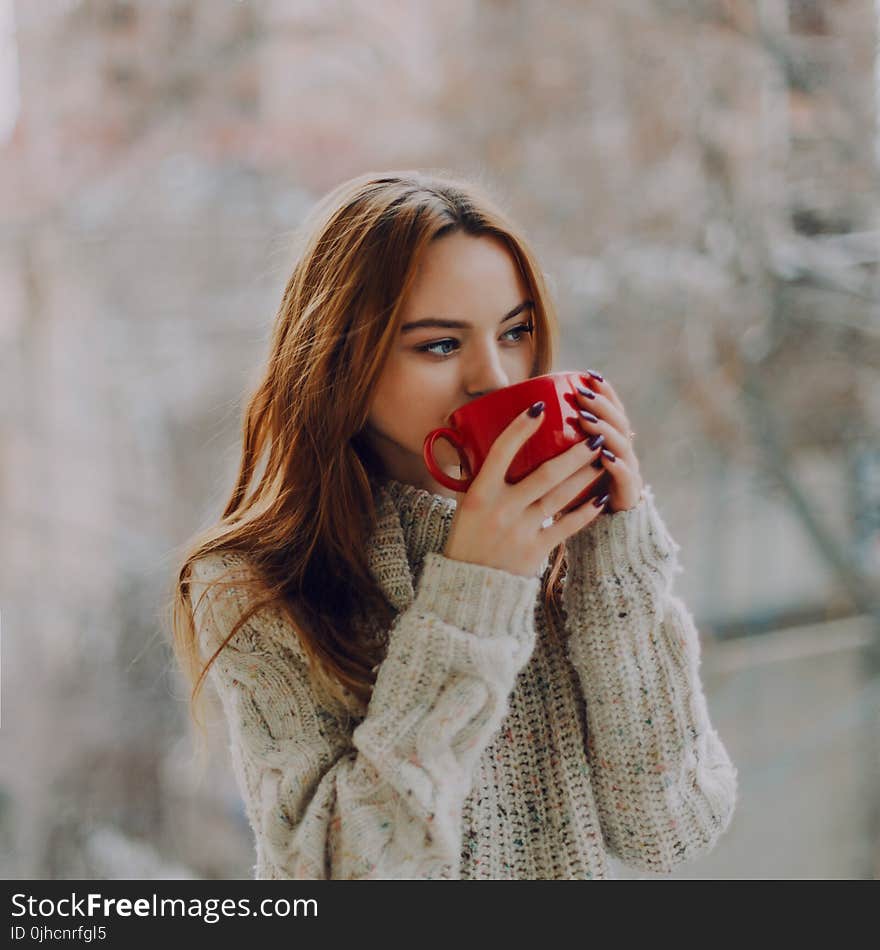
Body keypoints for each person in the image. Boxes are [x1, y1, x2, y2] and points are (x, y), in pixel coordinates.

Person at [169, 169, 738, 880]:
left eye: (516, 331)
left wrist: (618, 561)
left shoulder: (569, 547)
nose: (496, 380)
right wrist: (473, 595)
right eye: (439, 345)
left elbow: (670, 831)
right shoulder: (255, 584)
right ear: (342, 362)